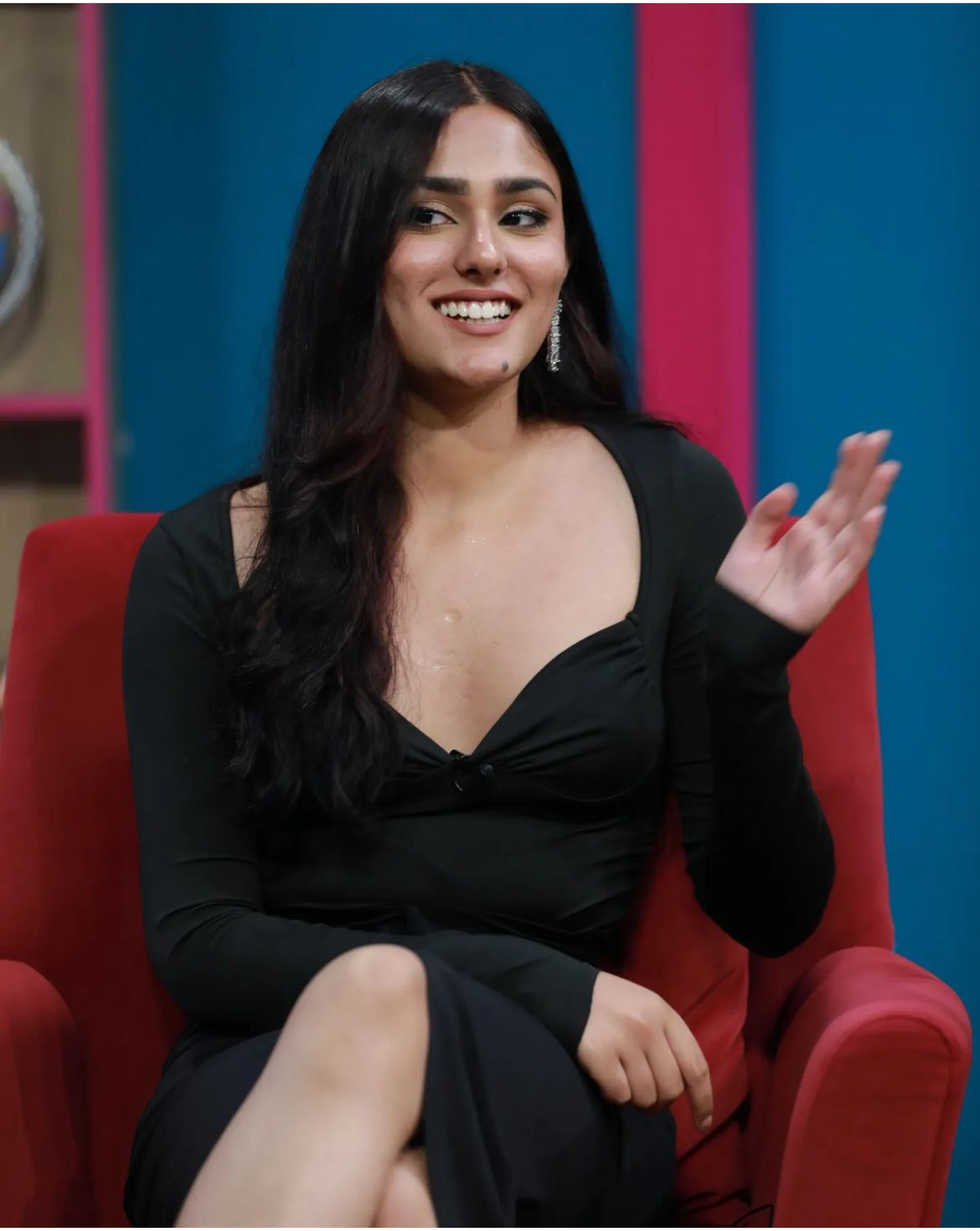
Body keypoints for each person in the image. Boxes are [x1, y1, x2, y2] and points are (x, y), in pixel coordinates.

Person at [120, 59, 900, 1228]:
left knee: (387, 1064)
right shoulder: (208, 557)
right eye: (429, 215)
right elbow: (198, 936)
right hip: (273, 1062)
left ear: (562, 261)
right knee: (391, 1170)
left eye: (523, 217)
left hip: (551, 1084)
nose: (484, 254)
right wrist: (545, 981)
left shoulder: (669, 498)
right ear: (354, 254)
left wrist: (741, 670)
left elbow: (772, 907)